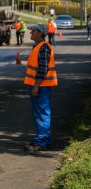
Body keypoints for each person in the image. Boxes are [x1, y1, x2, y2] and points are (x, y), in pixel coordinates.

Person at [24, 24, 58, 153]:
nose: (31, 33)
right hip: (39, 86)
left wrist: (36, 86)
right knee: (39, 114)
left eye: (33, 31)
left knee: (42, 114)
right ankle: (44, 139)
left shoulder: (43, 47)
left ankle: (41, 142)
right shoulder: (38, 46)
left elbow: (42, 69)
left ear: (40, 33)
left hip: (41, 86)